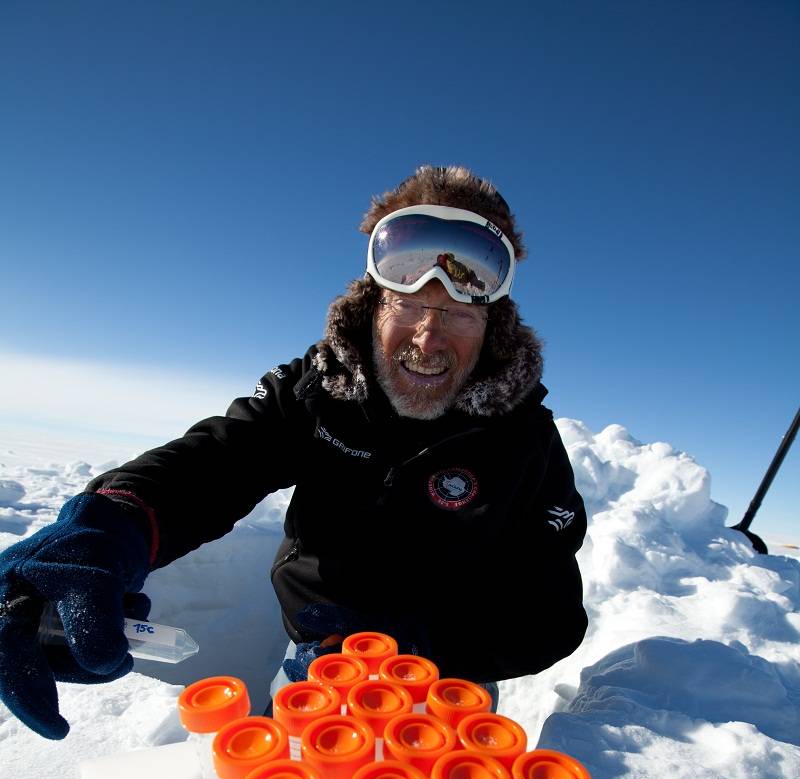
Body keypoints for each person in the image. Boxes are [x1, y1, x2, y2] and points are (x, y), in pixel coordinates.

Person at [0, 165, 588, 740]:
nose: (427, 340)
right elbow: (214, 462)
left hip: (451, 688)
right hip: (314, 663)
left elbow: (549, 608)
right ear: (375, 304)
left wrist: (425, 648)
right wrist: (106, 529)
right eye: (407, 307)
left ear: (492, 330)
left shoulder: (524, 439)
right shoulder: (316, 391)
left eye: (459, 314)